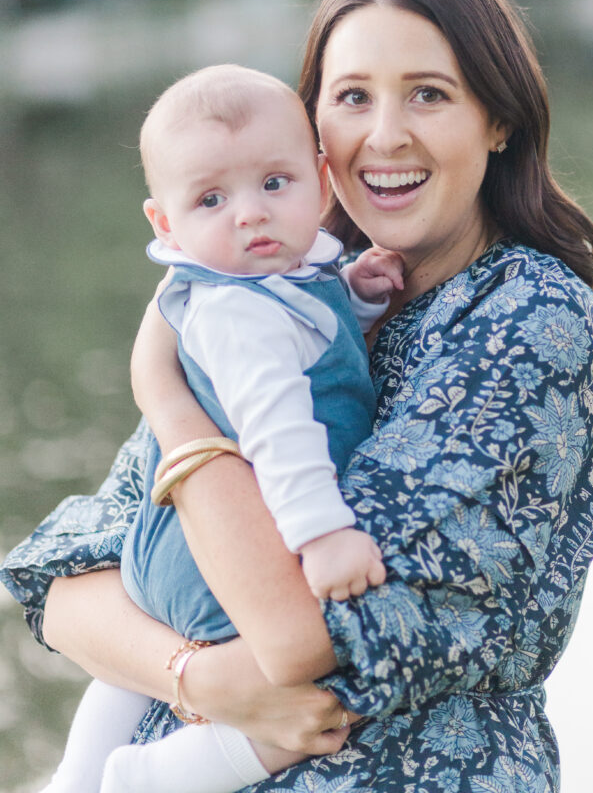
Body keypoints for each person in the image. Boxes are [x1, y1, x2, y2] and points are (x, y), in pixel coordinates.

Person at [1, 0, 593, 793]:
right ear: (315, 132)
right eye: (352, 98)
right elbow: (69, 582)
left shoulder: (523, 318)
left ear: (498, 121)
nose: (384, 135)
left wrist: (164, 392)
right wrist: (192, 678)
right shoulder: (277, 289)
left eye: (428, 93)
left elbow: (296, 632)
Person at [38, 63, 399, 793]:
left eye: (274, 183)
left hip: (167, 548)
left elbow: (310, 342)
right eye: (211, 198)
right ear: (164, 223)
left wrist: (354, 302)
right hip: (224, 562)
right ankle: (148, 777)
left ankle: (75, 778)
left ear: (320, 181)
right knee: (304, 706)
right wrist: (322, 534)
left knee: (132, 673)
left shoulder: (281, 277)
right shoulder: (235, 312)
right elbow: (279, 431)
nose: (250, 214)